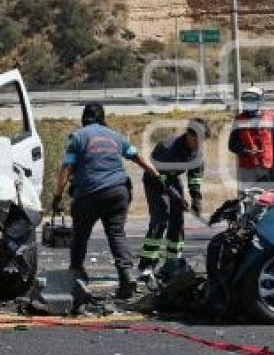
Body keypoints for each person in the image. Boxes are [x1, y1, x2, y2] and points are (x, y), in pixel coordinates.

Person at [51, 103, 160, 299]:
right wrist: (154, 173)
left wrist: (57, 196)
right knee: (116, 233)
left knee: (80, 235)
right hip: (117, 192)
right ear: (103, 117)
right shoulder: (115, 136)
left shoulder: (78, 137)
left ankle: (76, 275)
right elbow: (136, 156)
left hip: (88, 194)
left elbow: (66, 168)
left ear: (84, 118)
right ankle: (126, 274)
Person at [138, 118, 209, 282]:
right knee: (161, 218)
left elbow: (195, 177)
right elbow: (161, 179)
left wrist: (196, 199)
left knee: (177, 220)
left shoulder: (197, 151)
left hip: (172, 179)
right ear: (189, 135)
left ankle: (172, 261)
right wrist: (177, 198)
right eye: (198, 140)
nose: (200, 144)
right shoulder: (167, 147)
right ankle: (147, 265)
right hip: (155, 181)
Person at [229, 87, 274, 188]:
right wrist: (245, 150)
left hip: (267, 167)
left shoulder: (271, 117)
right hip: (247, 168)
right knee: (246, 199)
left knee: (266, 199)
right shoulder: (239, 120)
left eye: (252, 101)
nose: (249, 104)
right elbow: (232, 145)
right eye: (246, 101)